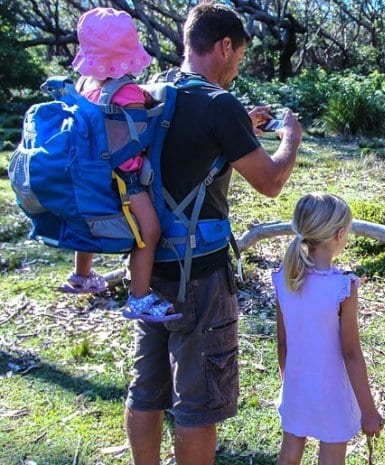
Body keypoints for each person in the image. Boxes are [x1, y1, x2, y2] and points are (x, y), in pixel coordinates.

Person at [123, 3, 302, 465]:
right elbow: (271, 182)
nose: (237, 67)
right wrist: (290, 138)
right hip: (200, 277)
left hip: (146, 268)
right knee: (197, 402)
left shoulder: (151, 92)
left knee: (146, 388)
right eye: (238, 57)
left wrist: (243, 123)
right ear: (224, 46)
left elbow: (184, 141)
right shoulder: (219, 105)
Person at [64, 7, 178, 322]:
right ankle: (139, 297)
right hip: (123, 177)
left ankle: (81, 274)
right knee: (150, 231)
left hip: (89, 174)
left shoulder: (83, 85)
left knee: (88, 221)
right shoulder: (129, 92)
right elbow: (136, 136)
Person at [272, 193, 384, 465]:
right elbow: (351, 353)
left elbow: (282, 342)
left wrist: (290, 380)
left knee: (288, 455)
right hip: (332, 390)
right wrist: (368, 411)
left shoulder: (283, 280)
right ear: (339, 234)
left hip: (297, 384)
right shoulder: (343, 288)